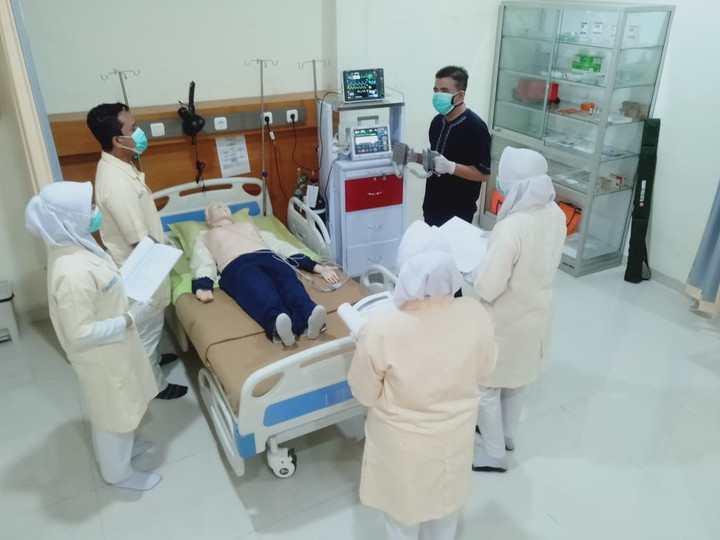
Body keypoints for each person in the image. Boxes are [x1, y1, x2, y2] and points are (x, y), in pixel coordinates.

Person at [347, 221, 497, 540]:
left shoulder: (382, 329)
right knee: (445, 515)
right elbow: (486, 370)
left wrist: (364, 342)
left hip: (403, 451)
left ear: (404, 271)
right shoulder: (475, 314)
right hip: (454, 442)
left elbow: (364, 393)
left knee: (401, 521)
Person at [25, 181, 162, 490]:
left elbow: (101, 289)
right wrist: (129, 319)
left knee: (123, 406)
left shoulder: (79, 245)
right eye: (87, 208)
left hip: (116, 347)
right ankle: (118, 474)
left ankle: (124, 452)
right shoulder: (70, 272)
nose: (95, 211)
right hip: (102, 354)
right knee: (113, 416)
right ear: (67, 218)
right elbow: (79, 333)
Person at [472, 147, 567, 472]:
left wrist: (471, 271)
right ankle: (507, 437)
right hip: (536, 314)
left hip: (505, 321)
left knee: (486, 385)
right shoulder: (555, 214)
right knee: (516, 380)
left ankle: (494, 453)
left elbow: (488, 286)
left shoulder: (512, 227)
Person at [87, 102, 186, 400]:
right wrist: (168, 254)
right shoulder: (116, 184)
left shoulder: (120, 166)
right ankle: (155, 385)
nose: (140, 133)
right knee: (145, 332)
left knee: (150, 327)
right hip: (141, 268)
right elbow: (139, 241)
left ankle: (153, 360)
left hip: (144, 261)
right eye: (133, 128)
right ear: (118, 140)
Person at [191, 202, 339, 347]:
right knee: (260, 290)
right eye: (215, 207)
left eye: (224, 206)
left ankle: (309, 317)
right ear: (208, 220)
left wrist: (316, 267)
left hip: (269, 257)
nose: (221, 207)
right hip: (236, 264)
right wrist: (203, 284)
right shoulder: (205, 235)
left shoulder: (248, 226)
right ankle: (278, 325)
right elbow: (202, 258)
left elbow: (278, 245)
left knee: (290, 283)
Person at [423, 65, 492, 227]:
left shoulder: (475, 127)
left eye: (445, 91)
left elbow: (484, 174)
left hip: (458, 214)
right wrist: (416, 158)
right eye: (436, 90)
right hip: (432, 208)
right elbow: (438, 159)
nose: (438, 95)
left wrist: (451, 167)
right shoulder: (437, 122)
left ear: (460, 96)